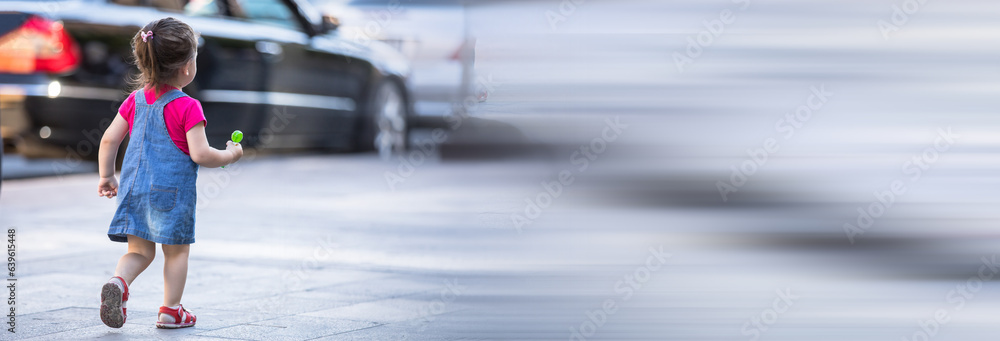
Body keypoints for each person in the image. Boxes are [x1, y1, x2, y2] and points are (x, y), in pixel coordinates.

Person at [95, 17, 243, 329]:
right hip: (171, 196)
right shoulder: (188, 107)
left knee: (139, 251)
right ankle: (170, 310)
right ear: (186, 67)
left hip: (133, 190)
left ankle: (119, 282)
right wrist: (230, 154)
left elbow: (109, 139)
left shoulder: (134, 100)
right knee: (176, 253)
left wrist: (106, 176)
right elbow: (201, 154)